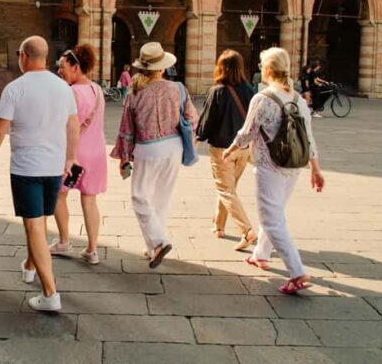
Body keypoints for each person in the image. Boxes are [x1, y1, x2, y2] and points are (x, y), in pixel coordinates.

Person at [0, 36, 79, 312]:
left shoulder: (15, 89)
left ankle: (50, 294)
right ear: (45, 57)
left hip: (27, 169)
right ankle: (30, 266)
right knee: (37, 222)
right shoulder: (63, 88)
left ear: (23, 56)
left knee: (34, 224)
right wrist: (71, 158)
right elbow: (73, 126)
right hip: (54, 167)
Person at [222, 47, 324, 295]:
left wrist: (231, 149)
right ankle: (260, 254)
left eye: (261, 65)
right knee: (275, 213)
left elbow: (247, 132)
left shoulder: (263, 98)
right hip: (294, 166)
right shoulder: (298, 99)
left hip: (270, 167)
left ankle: (297, 272)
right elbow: (308, 137)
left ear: (267, 69)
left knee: (271, 219)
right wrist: (316, 169)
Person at [111, 42, 197, 269]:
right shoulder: (178, 88)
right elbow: (191, 118)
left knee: (140, 197)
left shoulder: (135, 93)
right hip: (174, 147)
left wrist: (124, 157)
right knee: (161, 197)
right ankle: (152, 246)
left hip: (148, 148)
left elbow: (127, 129)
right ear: (162, 67)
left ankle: (158, 241)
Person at [49, 44, 107, 265]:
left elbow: (63, 124)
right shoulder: (97, 89)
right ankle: (92, 250)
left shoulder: (70, 92)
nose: (59, 71)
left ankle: (64, 241)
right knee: (89, 200)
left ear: (76, 66)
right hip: (96, 153)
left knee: (59, 195)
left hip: (73, 154)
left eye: (63, 66)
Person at [196, 50, 257, 250]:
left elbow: (207, 120)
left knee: (225, 189)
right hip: (244, 148)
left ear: (220, 67)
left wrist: (198, 138)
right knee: (229, 189)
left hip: (223, 149)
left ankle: (246, 230)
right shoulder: (250, 90)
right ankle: (218, 226)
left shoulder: (218, 91)